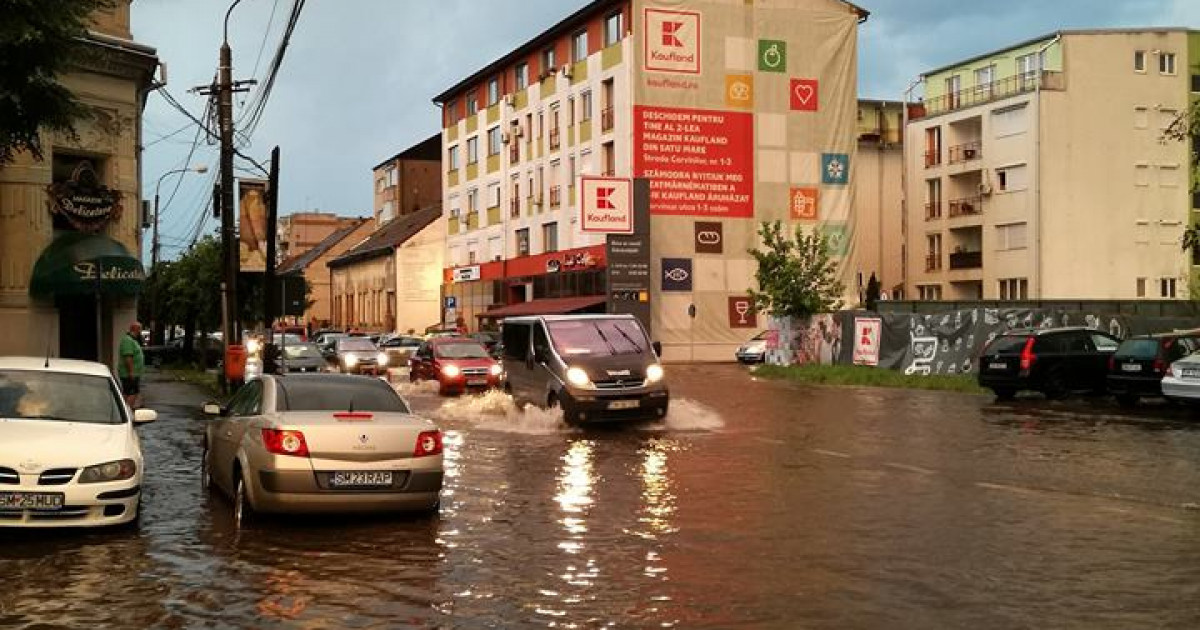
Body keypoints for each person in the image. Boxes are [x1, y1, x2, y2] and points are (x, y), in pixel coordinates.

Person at [119, 322, 145, 410]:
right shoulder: (128, 340)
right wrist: (131, 372)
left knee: (129, 392)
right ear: (135, 329)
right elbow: (128, 357)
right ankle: (127, 410)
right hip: (129, 373)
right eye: (139, 329)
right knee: (132, 392)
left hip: (133, 373)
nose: (140, 332)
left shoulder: (132, 340)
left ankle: (124, 410)